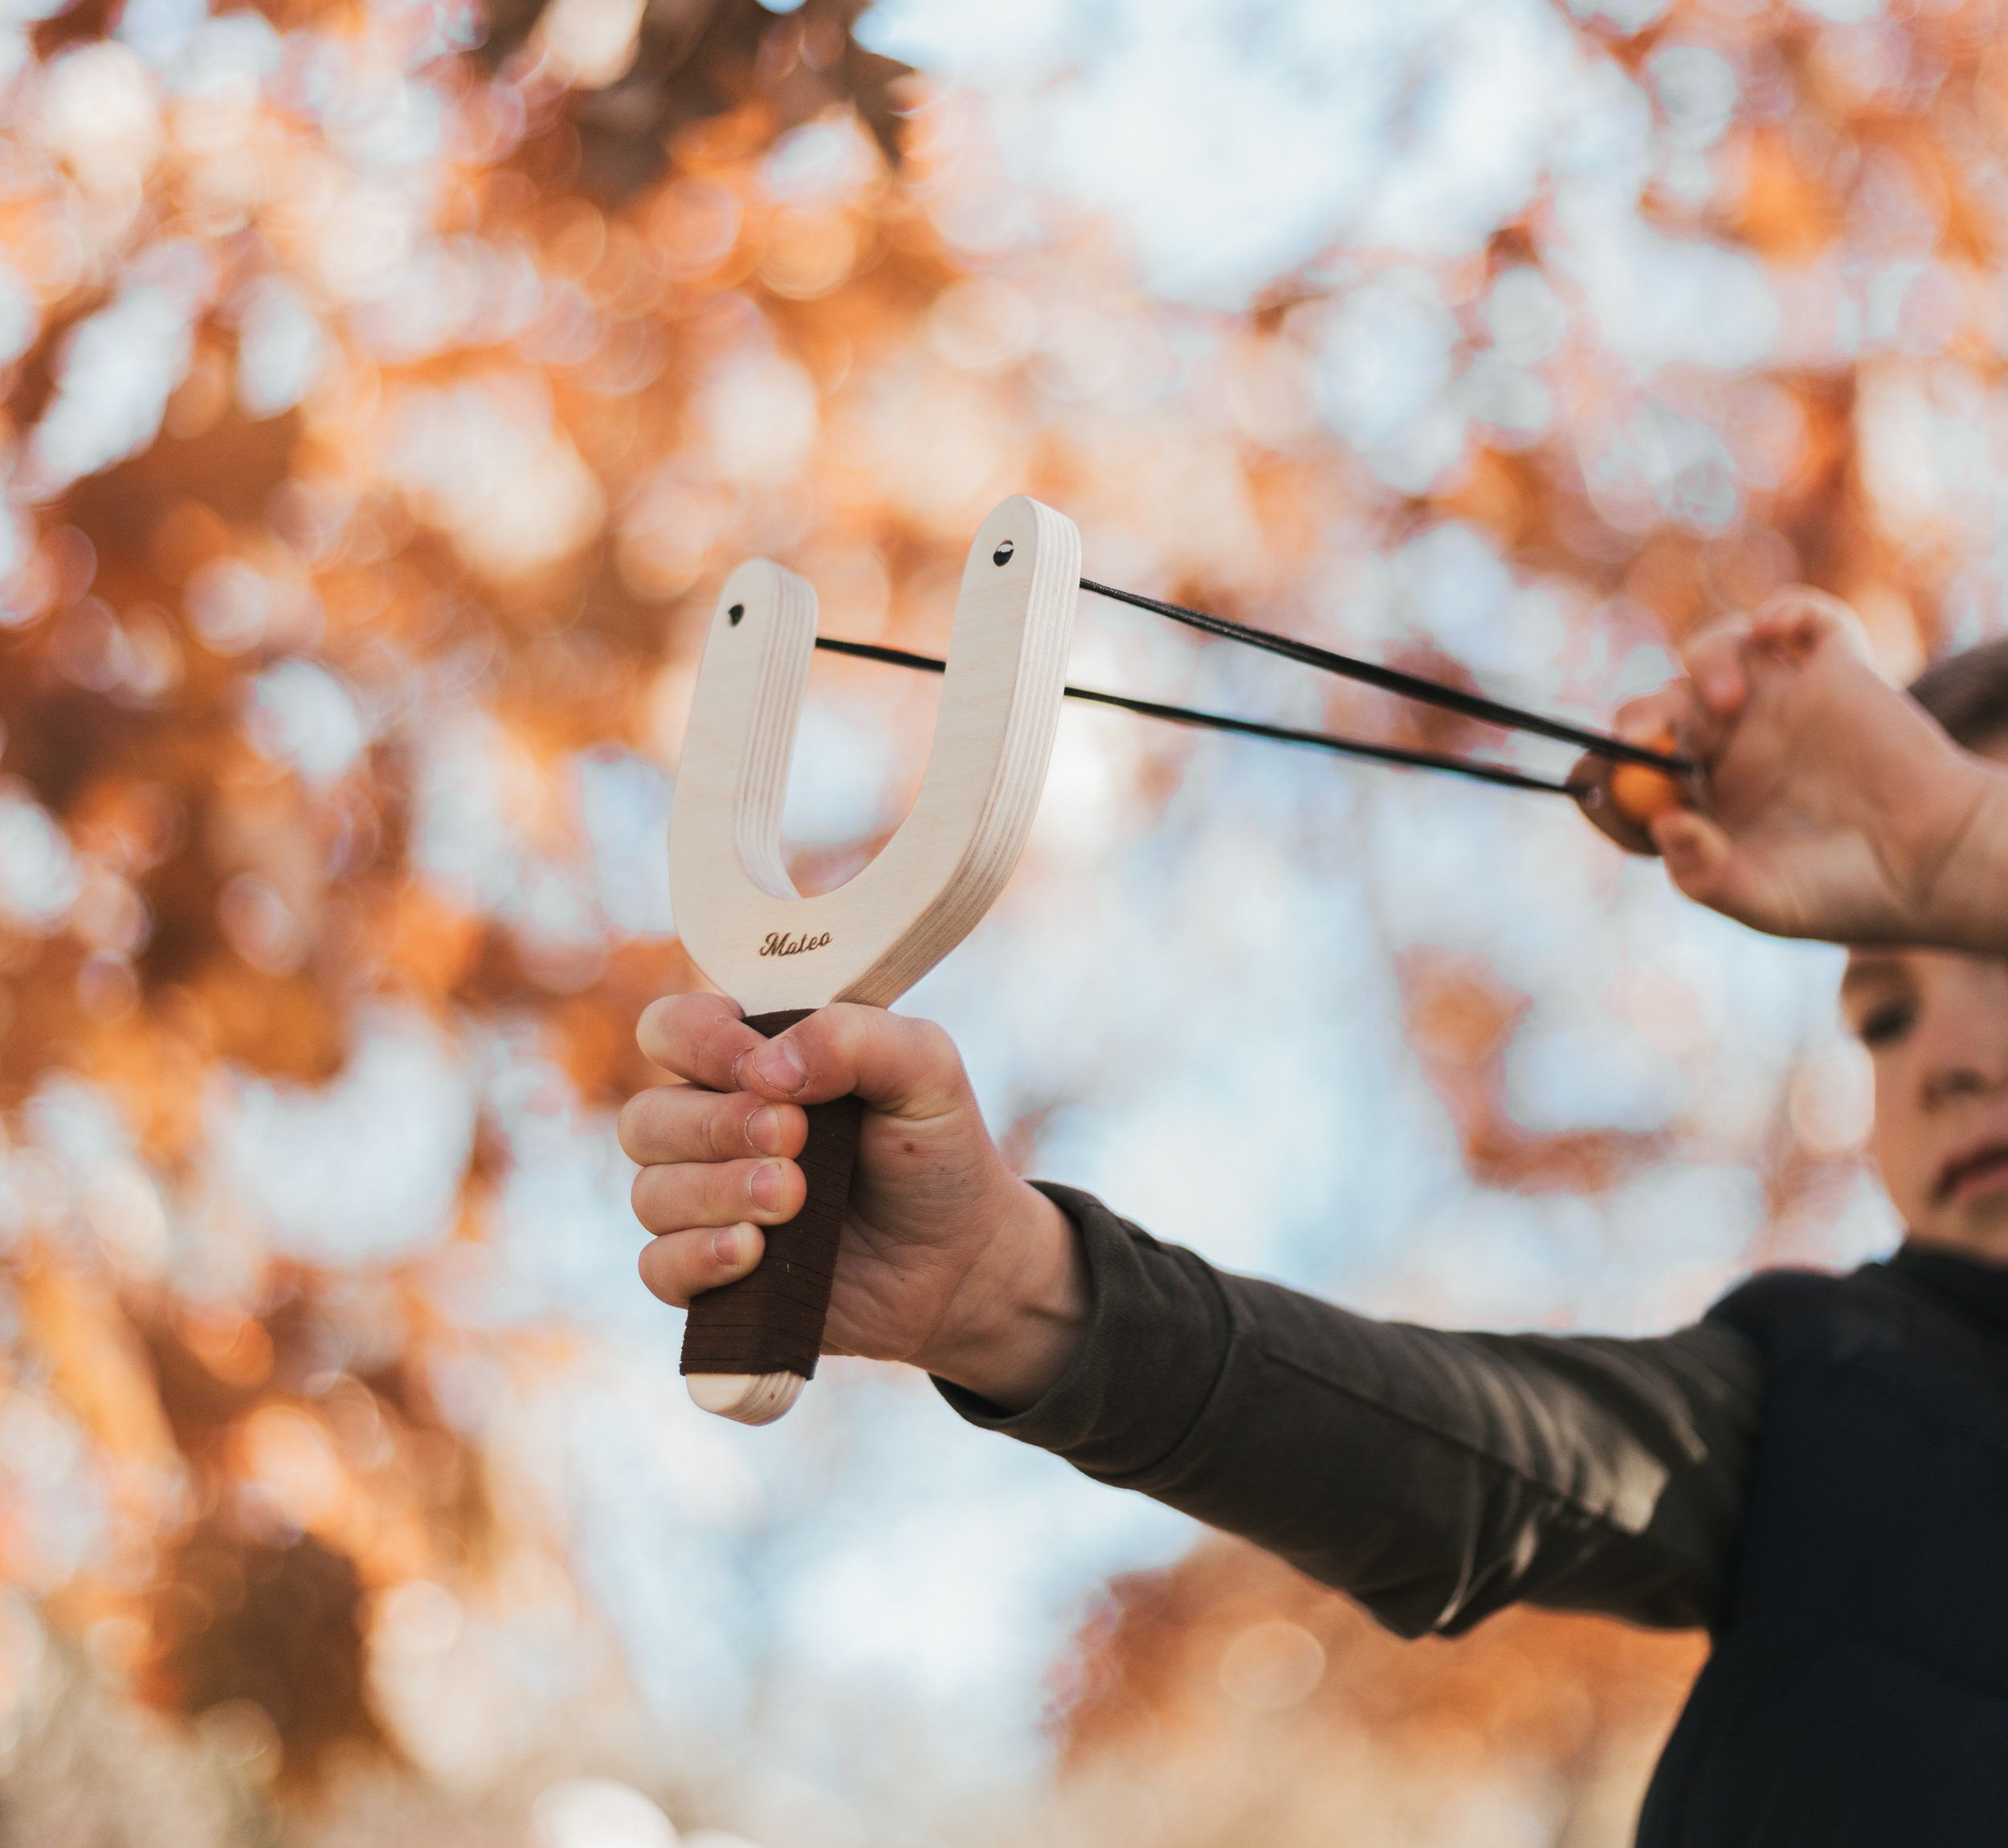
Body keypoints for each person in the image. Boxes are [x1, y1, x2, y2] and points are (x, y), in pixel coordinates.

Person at [621, 589, 2008, 1847]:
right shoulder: (1836, 1382)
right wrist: (1008, 1287)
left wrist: (1958, 845)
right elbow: (1466, 1451)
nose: (1941, 1058)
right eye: (1882, 1013)